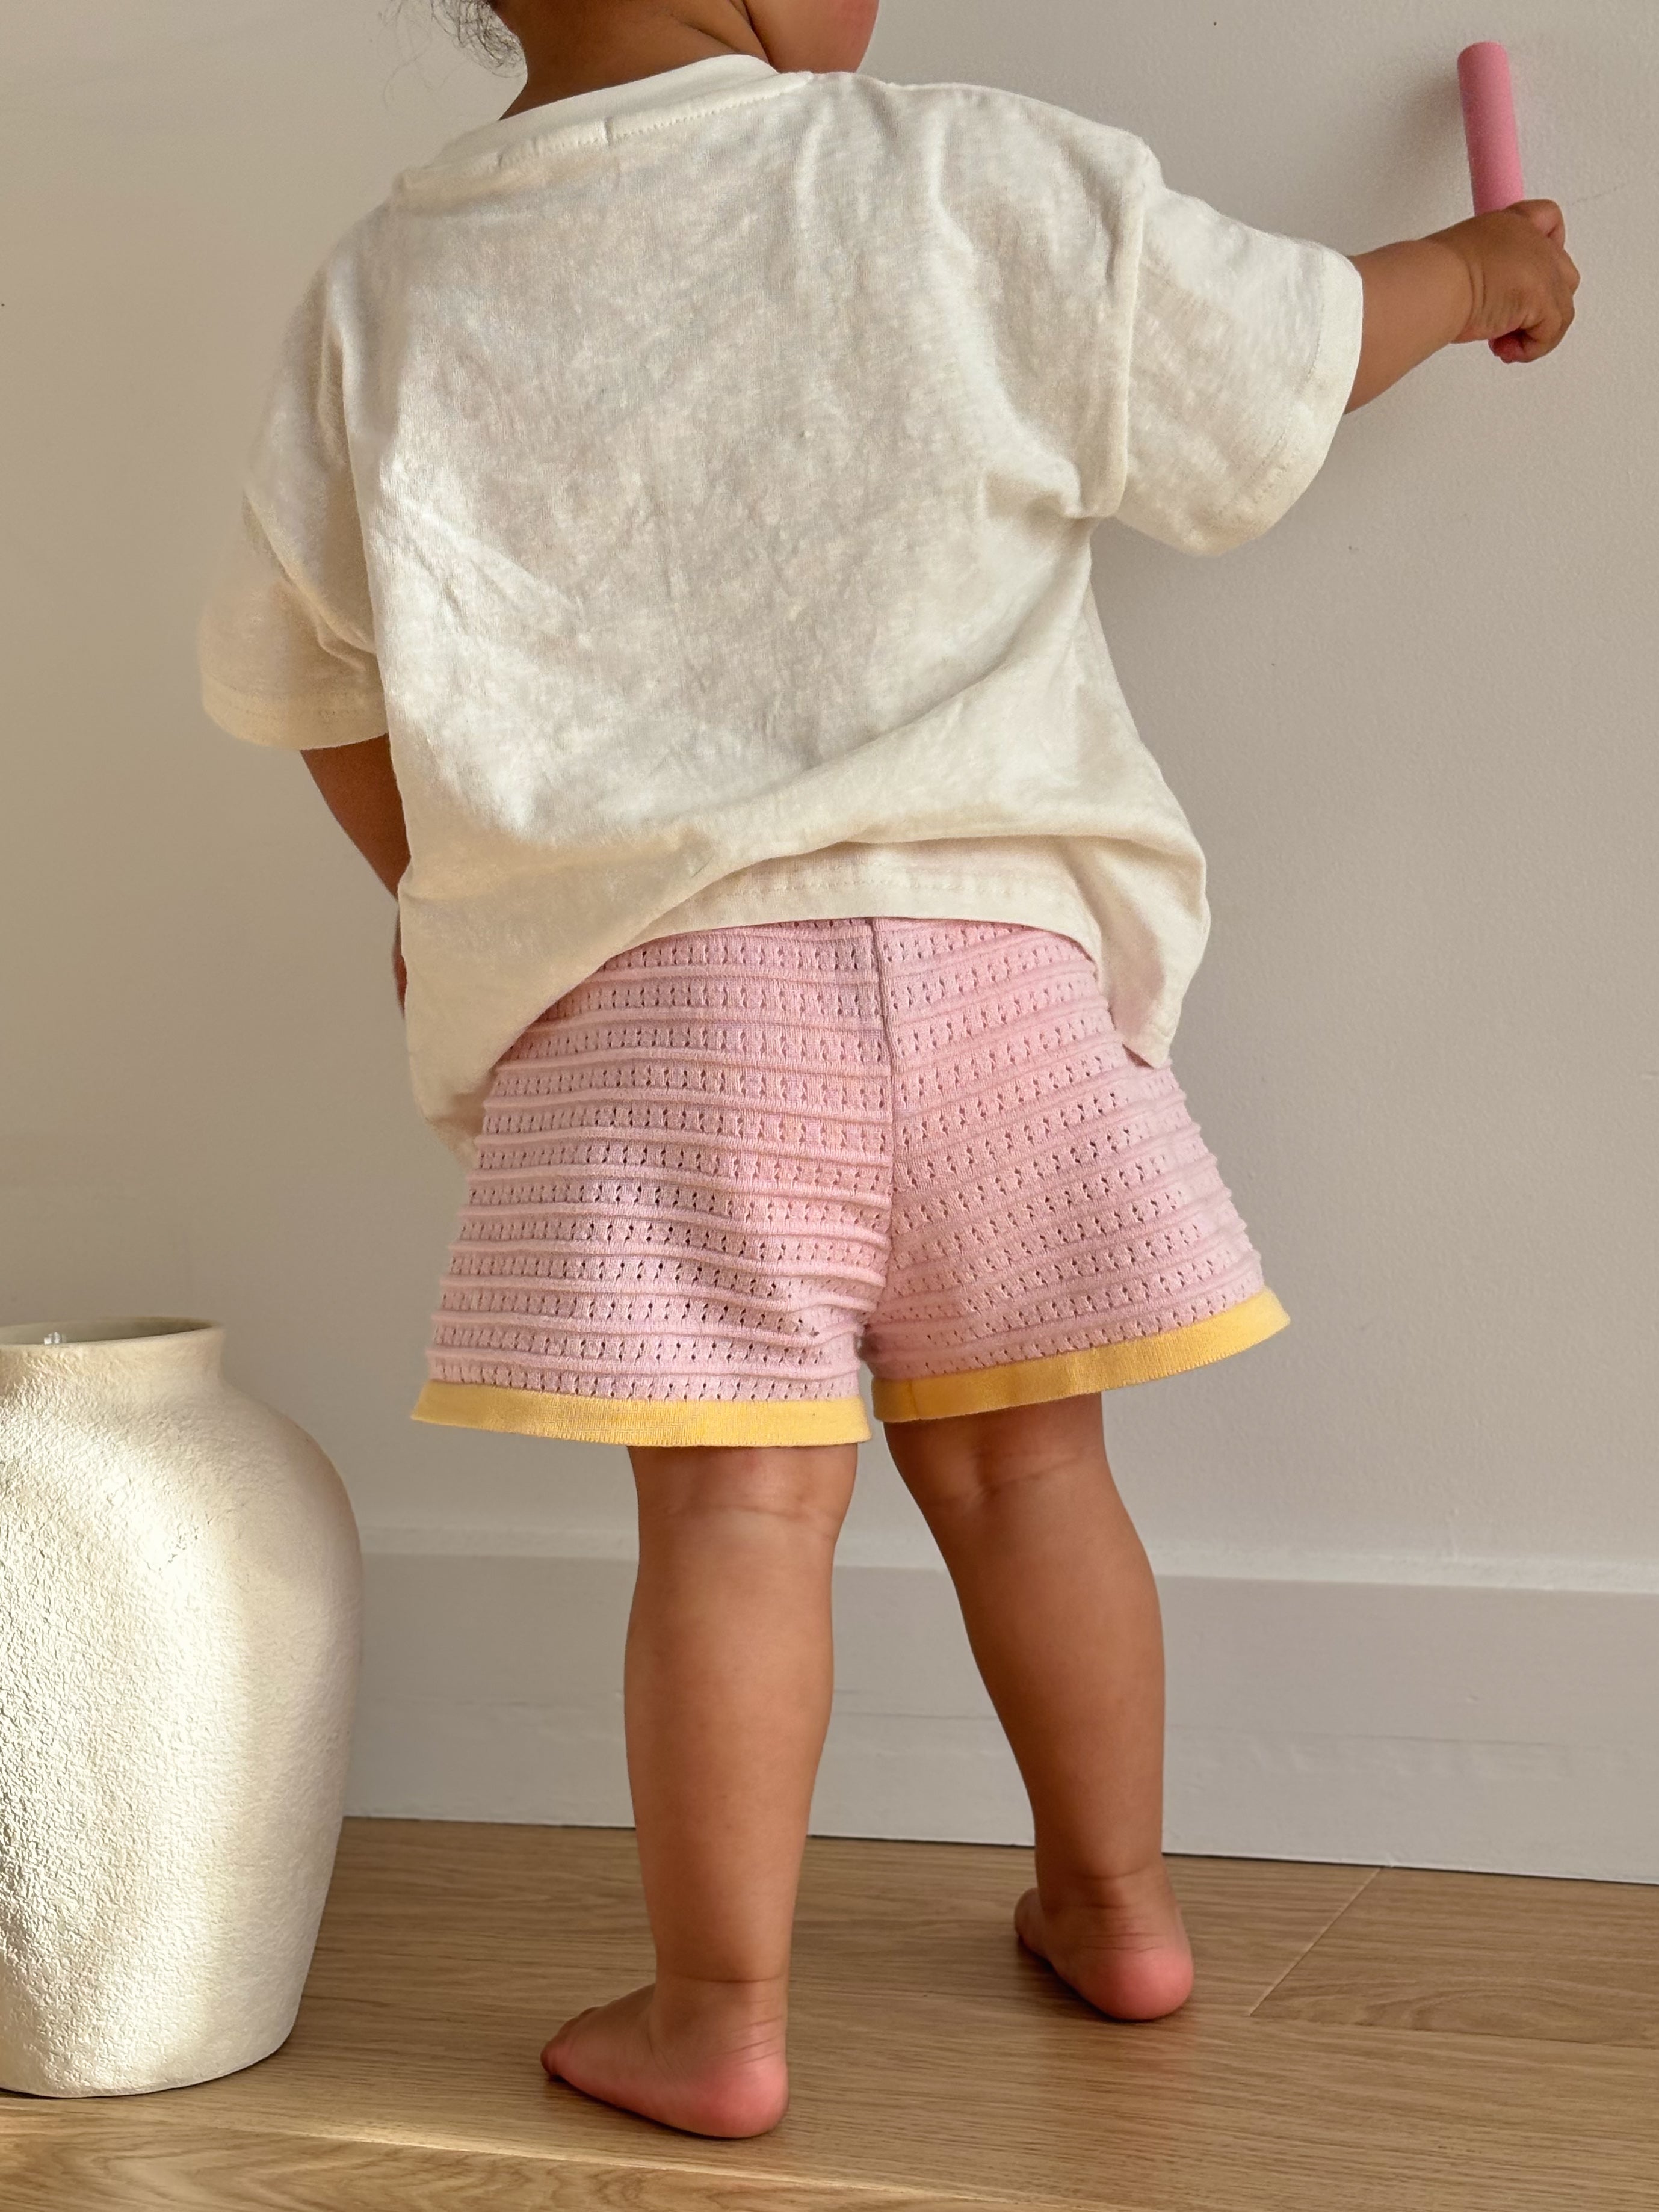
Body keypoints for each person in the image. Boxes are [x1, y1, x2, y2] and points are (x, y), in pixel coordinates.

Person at [196, 0, 1578, 2142]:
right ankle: (1117, 1907)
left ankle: (718, 2016)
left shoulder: (387, 287)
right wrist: (1479, 271)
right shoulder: (955, 167)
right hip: (996, 971)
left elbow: (312, 675)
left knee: (740, 1511)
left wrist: (442, 896)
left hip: (664, 1011)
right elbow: (1266, 344)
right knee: (1036, 1471)